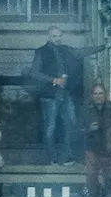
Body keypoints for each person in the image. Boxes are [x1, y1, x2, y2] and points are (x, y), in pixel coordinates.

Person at [28, 26, 81, 164]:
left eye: (59, 36)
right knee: (50, 129)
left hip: (65, 95)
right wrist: (53, 80)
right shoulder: (41, 52)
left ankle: (67, 157)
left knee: (71, 124)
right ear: (48, 37)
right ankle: (53, 159)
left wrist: (104, 46)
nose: (57, 39)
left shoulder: (66, 50)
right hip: (49, 96)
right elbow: (33, 73)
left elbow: (81, 52)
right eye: (54, 36)